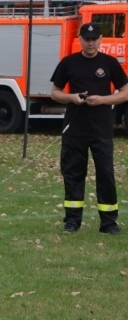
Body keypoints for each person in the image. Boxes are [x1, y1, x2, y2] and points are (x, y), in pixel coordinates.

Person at [50, 23, 128, 235]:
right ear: (80, 40)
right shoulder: (69, 63)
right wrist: (72, 98)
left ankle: (109, 223)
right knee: (73, 174)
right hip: (74, 129)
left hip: (101, 129)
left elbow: (125, 92)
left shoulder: (109, 63)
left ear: (100, 40)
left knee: (105, 174)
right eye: (87, 39)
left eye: (94, 39)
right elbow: (55, 92)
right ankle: (72, 221)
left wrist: (103, 100)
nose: (91, 43)